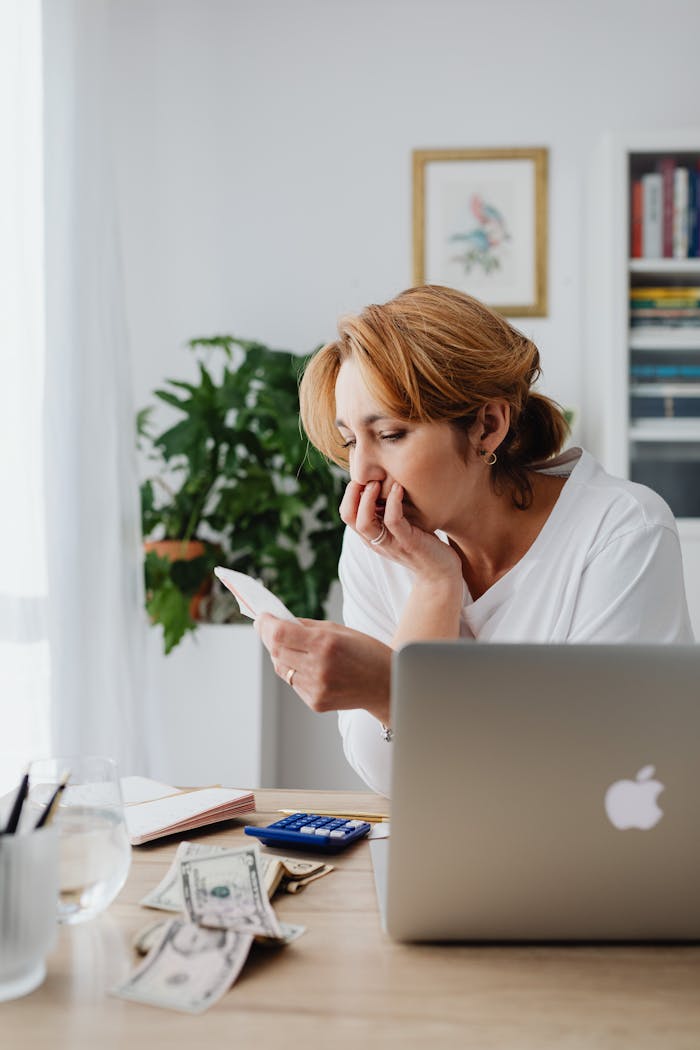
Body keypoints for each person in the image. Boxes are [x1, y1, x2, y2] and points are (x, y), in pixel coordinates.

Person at [256, 285, 694, 796]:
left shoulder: (621, 532)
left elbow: (614, 780)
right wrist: (435, 585)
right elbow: (395, 782)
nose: (363, 473)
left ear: (487, 425)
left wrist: (398, 691)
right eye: (351, 441)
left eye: (392, 434)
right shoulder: (375, 545)